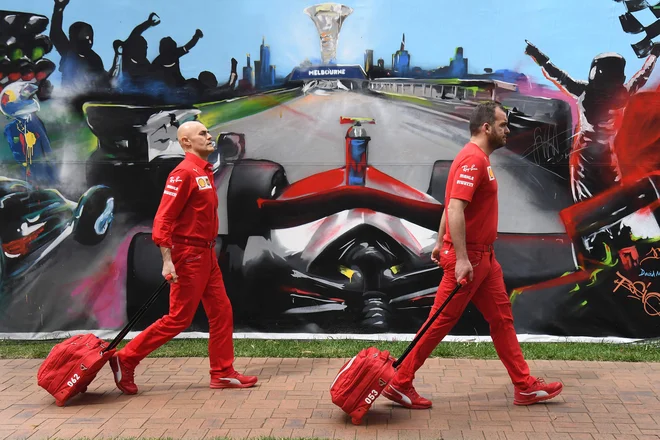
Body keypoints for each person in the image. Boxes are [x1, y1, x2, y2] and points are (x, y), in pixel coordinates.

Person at [382, 101, 563, 409]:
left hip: (484, 259)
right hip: (471, 259)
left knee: (502, 319)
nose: (508, 130)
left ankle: (525, 386)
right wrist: (461, 257)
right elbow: (455, 208)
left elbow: (451, 203)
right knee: (439, 322)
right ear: (486, 127)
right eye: (503, 124)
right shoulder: (472, 160)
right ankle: (400, 382)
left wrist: (441, 243)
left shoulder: (477, 159)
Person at [110, 120, 258, 394]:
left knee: (222, 312)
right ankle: (126, 358)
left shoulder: (203, 171)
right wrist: (168, 260)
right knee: (178, 319)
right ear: (186, 142)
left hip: (206, 255)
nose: (209, 136)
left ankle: (223, 373)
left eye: (208, 131)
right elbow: (163, 220)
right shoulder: (183, 174)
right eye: (202, 133)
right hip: (188, 256)